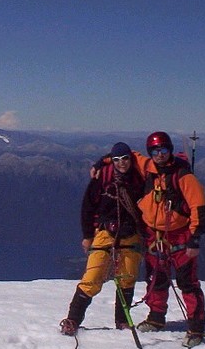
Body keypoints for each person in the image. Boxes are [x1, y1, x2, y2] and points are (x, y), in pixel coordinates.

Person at [133, 131, 205, 348]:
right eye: (155, 151)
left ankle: (196, 328)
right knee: (156, 280)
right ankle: (156, 318)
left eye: (163, 150)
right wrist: (103, 162)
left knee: (188, 284)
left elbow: (199, 207)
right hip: (154, 236)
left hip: (180, 237)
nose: (159, 155)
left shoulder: (183, 176)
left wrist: (195, 238)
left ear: (170, 150)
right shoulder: (148, 168)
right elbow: (129, 154)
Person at [59, 142, 145, 336]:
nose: (122, 163)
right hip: (106, 233)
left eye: (125, 159)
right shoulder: (102, 178)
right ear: (112, 161)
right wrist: (87, 236)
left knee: (127, 279)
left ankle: (122, 322)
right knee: (92, 278)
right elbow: (88, 208)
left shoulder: (139, 177)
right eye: (117, 160)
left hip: (130, 234)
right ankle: (73, 319)